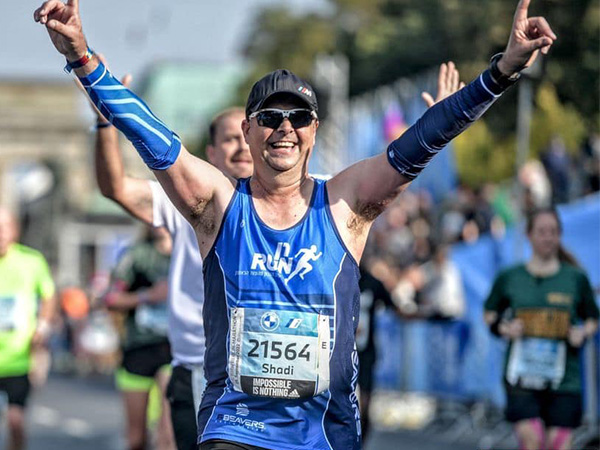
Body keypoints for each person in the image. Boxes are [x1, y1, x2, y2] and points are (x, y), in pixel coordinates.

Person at [34, 0, 557, 447]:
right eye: (269, 118)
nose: (284, 128)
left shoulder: (344, 204)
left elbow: (420, 144)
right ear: (248, 129)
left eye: (298, 118)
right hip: (235, 425)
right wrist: (82, 57)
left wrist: (503, 70)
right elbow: (149, 134)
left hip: (323, 433)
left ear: (314, 131)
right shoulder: (218, 203)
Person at [86, 67, 252, 449]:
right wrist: (105, 128)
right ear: (210, 153)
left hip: (258, 374)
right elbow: (116, 188)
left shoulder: (287, 205)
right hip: (198, 366)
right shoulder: (185, 202)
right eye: (229, 140)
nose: (241, 148)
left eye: (246, 137)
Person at [484, 208, 599, 450]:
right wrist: (505, 328)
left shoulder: (575, 278)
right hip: (522, 377)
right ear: (529, 235)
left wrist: (583, 333)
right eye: (542, 232)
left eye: (554, 232)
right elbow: (489, 313)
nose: (548, 237)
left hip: (564, 378)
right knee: (532, 440)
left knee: (558, 444)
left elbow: (592, 318)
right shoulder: (510, 277)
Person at [104, 226, 175, 450]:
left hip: (174, 350)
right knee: (136, 439)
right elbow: (111, 298)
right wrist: (148, 296)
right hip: (138, 347)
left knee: (167, 436)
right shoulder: (136, 255)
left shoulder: (191, 251)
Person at [0, 207, 57, 450]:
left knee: (16, 422)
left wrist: (42, 327)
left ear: (15, 229)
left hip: (18, 358)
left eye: (4, 227)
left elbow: (49, 296)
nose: (0, 233)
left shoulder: (31, 260)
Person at [355, 265, 396, 443]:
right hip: (340, 351)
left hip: (365, 351)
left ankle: (361, 441)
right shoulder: (337, 276)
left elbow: (394, 307)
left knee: (365, 401)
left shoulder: (372, 283)